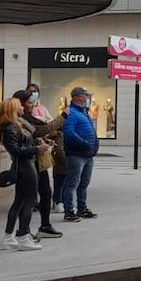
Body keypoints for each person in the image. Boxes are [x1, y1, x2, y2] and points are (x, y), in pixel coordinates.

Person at [0, 97, 48, 250]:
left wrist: (38, 143)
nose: (22, 108)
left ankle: (9, 236)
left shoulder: (14, 125)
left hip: (25, 165)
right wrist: (36, 149)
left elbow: (22, 144)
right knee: (30, 201)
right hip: (25, 166)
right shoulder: (11, 127)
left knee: (19, 202)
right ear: (13, 108)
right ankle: (23, 236)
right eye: (19, 106)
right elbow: (16, 150)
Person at [15, 89, 62, 240]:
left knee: (45, 193)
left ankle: (44, 225)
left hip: (38, 160)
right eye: (28, 103)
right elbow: (37, 131)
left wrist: (43, 139)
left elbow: (37, 132)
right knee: (26, 199)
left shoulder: (26, 117)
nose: (31, 106)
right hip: (28, 162)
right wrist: (38, 143)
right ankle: (22, 231)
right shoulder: (17, 121)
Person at [60, 86, 98, 221]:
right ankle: (69, 211)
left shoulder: (83, 112)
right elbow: (69, 133)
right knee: (72, 183)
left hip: (88, 154)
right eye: (85, 95)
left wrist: (94, 145)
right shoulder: (72, 113)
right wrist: (85, 143)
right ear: (77, 97)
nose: (87, 98)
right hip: (76, 154)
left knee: (84, 183)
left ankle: (82, 208)